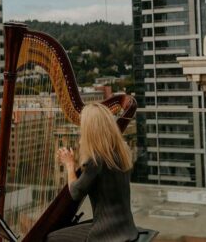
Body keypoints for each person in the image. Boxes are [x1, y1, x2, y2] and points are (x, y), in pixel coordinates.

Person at [46, 103, 139, 242]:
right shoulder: (122, 151)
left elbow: (75, 193)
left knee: (50, 238)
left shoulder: (96, 161)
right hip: (127, 228)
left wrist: (69, 164)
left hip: (106, 234)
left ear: (90, 130)